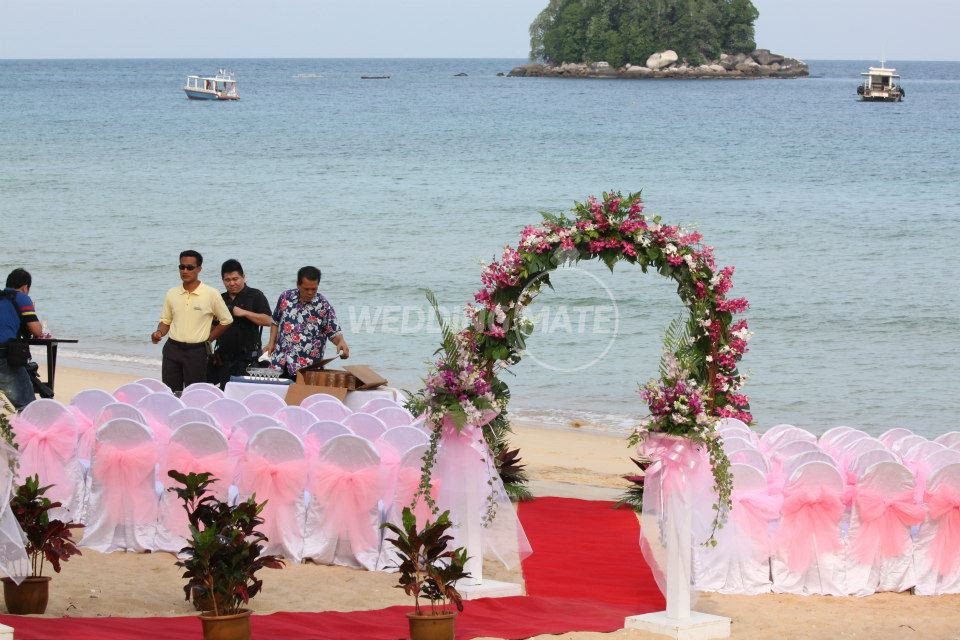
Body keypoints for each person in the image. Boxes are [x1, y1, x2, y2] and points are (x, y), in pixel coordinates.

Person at [151, 250, 233, 395]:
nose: (185, 271)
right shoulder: (172, 293)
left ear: (199, 269)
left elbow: (226, 320)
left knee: (194, 394)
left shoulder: (211, 294)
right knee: (170, 393)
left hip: (197, 352)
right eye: (181, 267)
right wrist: (159, 333)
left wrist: (209, 339)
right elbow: (165, 320)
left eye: (190, 267)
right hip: (172, 349)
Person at [266, 265, 349, 378]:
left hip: (307, 369)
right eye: (306, 289)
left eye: (314, 289)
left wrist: (341, 342)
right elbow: (275, 321)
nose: (310, 293)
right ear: (298, 285)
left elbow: (334, 333)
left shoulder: (323, 305)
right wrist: (271, 343)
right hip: (279, 363)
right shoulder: (286, 297)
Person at [207, 259, 272, 388]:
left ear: (244, 277)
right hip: (223, 358)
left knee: (245, 394)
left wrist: (244, 313)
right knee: (220, 394)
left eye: (235, 279)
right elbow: (209, 332)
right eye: (227, 280)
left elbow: (269, 320)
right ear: (223, 280)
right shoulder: (219, 299)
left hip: (248, 358)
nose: (232, 283)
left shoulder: (255, 295)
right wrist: (214, 320)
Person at [0, 268, 43, 410]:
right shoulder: (22, 298)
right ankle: (26, 431)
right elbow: (37, 331)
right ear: (25, 287)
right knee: (27, 403)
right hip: (4, 355)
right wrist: (32, 311)